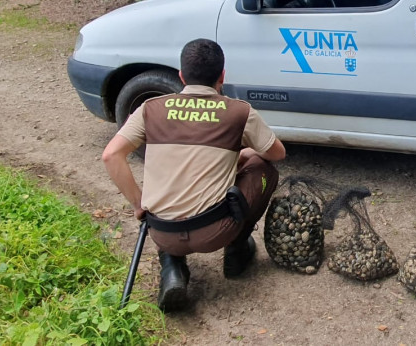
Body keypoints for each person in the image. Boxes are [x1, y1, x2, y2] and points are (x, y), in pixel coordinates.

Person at [102, 38, 286, 311]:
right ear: (222, 76)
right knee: (265, 169)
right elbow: (277, 154)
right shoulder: (239, 112)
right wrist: (244, 153)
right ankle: (236, 249)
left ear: (181, 75)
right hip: (215, 232)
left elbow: (111, 155)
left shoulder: (150, 108)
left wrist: (138, 204)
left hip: (162, 231)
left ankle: (172, 267)